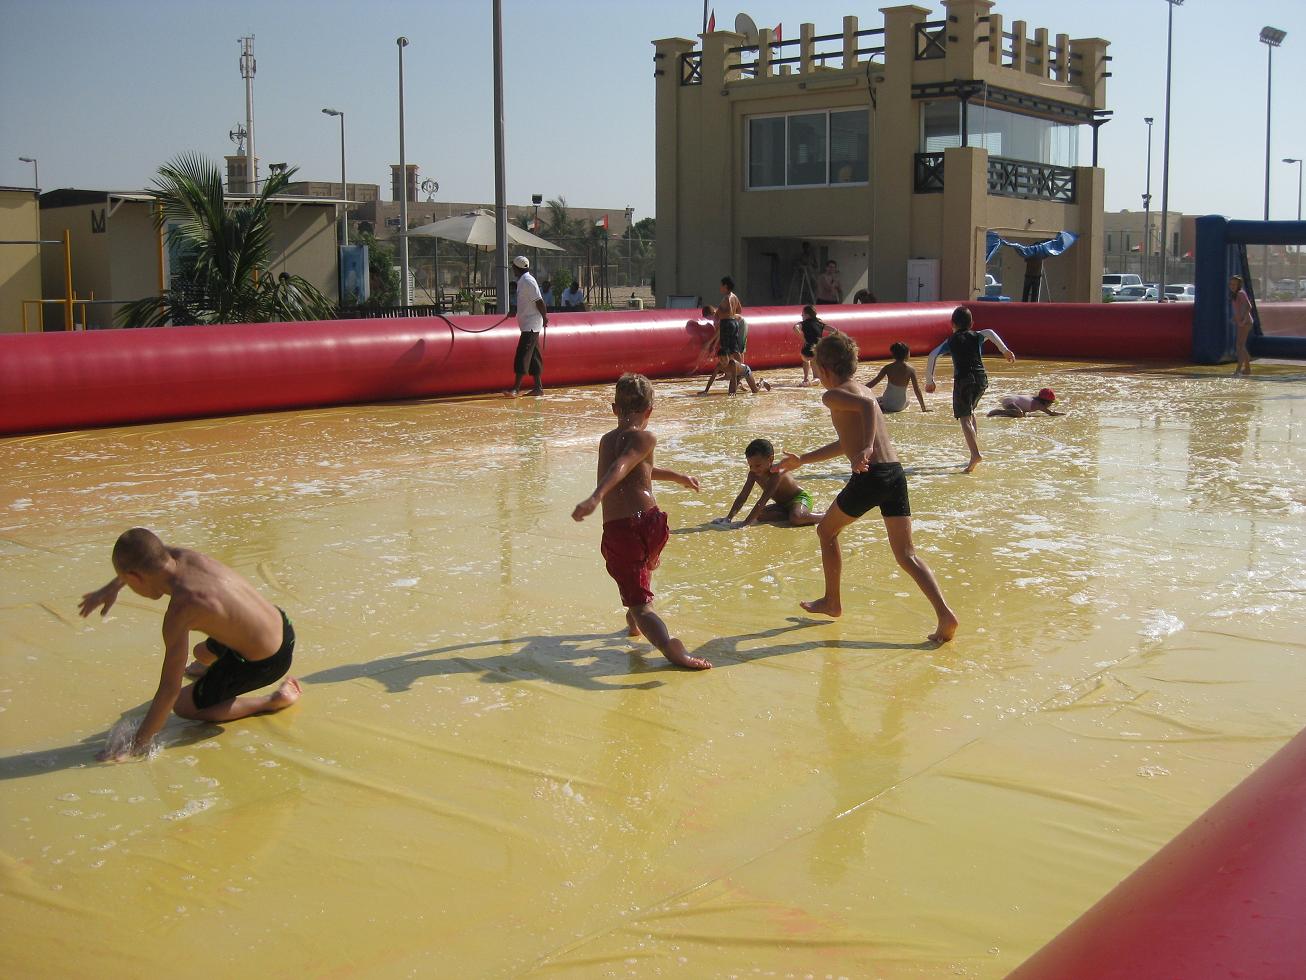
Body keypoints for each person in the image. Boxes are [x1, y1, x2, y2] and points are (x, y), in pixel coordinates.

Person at [774, 333, 957, 643]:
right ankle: (945, 614)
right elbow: (847, 442)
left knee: (826, 532)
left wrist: (867, 448)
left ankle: (832, 601)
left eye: (816, 369)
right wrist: (802, 460)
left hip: (871, 475)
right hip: (894, 474)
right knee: (906, 554)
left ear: (825, 368)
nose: (816, 374)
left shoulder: (833, 395)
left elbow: (869, 411)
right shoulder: (862, 389)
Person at [77, 528, 301, 761]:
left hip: (267, 661)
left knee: (183, 706)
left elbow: (169, 689)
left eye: (127, 582)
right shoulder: (183, 556)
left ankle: (271, 701)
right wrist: (112, 587)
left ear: (134, 577)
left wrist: (137, 743)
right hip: (282, 624)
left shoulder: (181, 610)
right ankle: (215, 667)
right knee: (200, 653)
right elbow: (144, 557)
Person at [571, 374, 712, 670]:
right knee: (639, 573)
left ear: (614, 408)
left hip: (623, 531)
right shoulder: (644, 437)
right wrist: (680, 477)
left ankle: (670, 648)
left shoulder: (608, 440)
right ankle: (634, 617)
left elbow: (623, 466)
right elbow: (628, 467)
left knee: (640, 603)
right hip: (651, 524)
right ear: (649, 410)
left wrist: (596, 497)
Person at [924, 307, 1015, 473]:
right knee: (971, 411)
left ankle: (975, 454)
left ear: (952, 324)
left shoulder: (950, 341)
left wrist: (930, 381)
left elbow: (932, 355)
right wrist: (1004, 350)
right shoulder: (977, 335)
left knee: (964, 417)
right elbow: (990, 332)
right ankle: (975, 448)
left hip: (964, 381)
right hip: (981, 379)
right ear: (972, 323)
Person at [718, 438, 822, 527]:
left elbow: (763, 499)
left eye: (758, 465)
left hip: (800, 498)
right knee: (760, 515)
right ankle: (794, 513)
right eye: (750, 466)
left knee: (796, 518)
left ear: (770, 459)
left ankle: (824, 516)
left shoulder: (776, 474)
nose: (754, 469)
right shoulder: (753, 474)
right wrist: (728, 518)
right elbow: (743, 496)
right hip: (782, 505)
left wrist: (746, 523)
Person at [506, 255, 547, 397]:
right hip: (529, 324)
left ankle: (516, 389)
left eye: (513, 267)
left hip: (531, 324)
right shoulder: (523, 280)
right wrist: (515, 311)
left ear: (516, 268)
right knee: (534, 356)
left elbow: (539, 301)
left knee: (522, 354)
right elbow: (527, 302)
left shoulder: (528, 281)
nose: (512, 269)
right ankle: (538, 388)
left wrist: (544, 317)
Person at [865, 342, 930, 414]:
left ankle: (881, 406)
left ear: (893, 355)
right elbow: (917, 390)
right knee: (908, 400)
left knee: (877, 399)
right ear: (907, 354)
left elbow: (873, 382)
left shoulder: (887, 368)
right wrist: (923, 408)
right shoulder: (911, 370)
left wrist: (860, 388)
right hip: (900, 406)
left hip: (887, 404)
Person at [794, 305, 830, 386]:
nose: (801, 316)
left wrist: (803, 338)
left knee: (806, 360)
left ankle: (806, 379)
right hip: (818, 350)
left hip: (806, 350)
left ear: (807, 315)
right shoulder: (820, 323)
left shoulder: (803, 323)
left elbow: (795, 328)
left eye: (802, 314)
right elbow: (834, 330)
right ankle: (814, 379)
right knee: (814, 361)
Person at [1231, 274, 1255, 375]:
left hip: (1246, 322)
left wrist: (1243, 320)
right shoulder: (1234, 294)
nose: (1232, 286)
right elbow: (1238, 309)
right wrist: (1235, 318)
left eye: (1234, 284)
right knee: (1240, 345)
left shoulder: (1241, 293)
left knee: (1240, 346)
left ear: (1239, 285)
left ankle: (1239, 369)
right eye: (1231, 284)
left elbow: (1249, 306)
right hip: (1241, 322)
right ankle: (1247, 368)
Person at [987, 387, 1063, 418]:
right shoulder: (1039, 405)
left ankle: (1006, 412)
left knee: (1022, 414)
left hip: (1010, 400)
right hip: (1010, 401)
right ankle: (997, 411)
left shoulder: (1036, 400)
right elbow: (1051, 413)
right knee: (1019, 414)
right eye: (1051, 403)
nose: (1051, 405)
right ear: (1046, 402)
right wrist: (1063, 414)